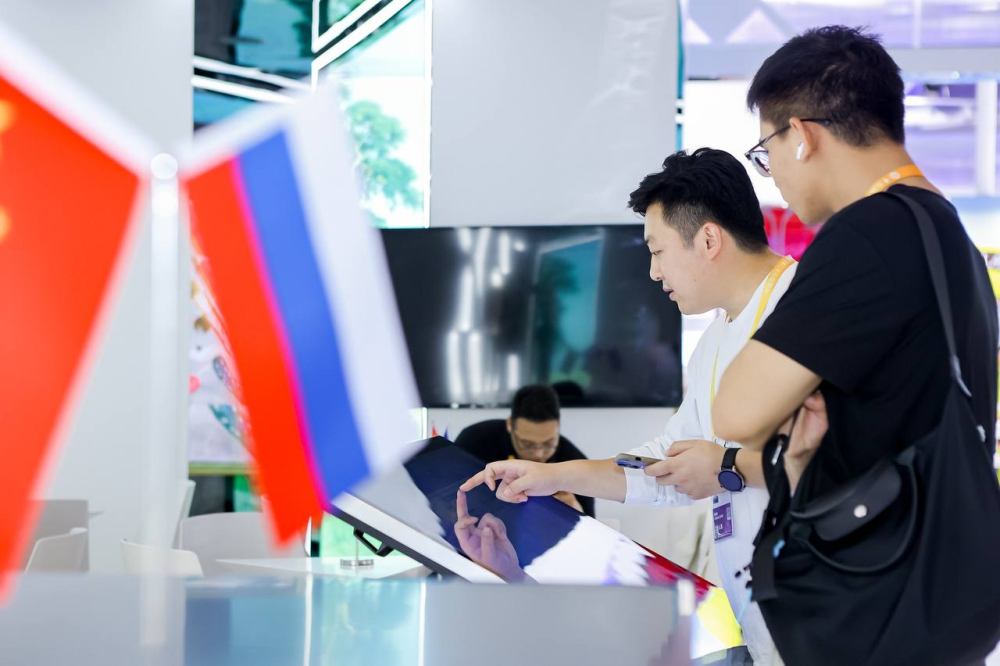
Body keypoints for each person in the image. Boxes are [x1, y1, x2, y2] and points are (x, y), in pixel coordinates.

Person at [711, 25, 1000, 666]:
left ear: (802, 135)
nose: (774, 177)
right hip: (941, 594)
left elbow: (734, 412)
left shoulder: (869, 232)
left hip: (875, 600)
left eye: (766, 151)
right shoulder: (949, 236)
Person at [462, 147, 796, 665]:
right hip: (762, 622)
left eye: (658, 251)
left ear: (708, 240)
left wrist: (727, 466)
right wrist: (551, 476)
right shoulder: (714, 340)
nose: (653, 272)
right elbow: (665, 464)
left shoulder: (802, 308)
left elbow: (842, 456)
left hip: (822, 614)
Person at [453, 384, 594, 517]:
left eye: (549, 443)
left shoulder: (576, 464)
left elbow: (592, 528)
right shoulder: (474, 440)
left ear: (558, 427)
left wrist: (576, 514)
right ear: (510, 425)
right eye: (527, 444)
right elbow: (448, 495)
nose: (539, 454)